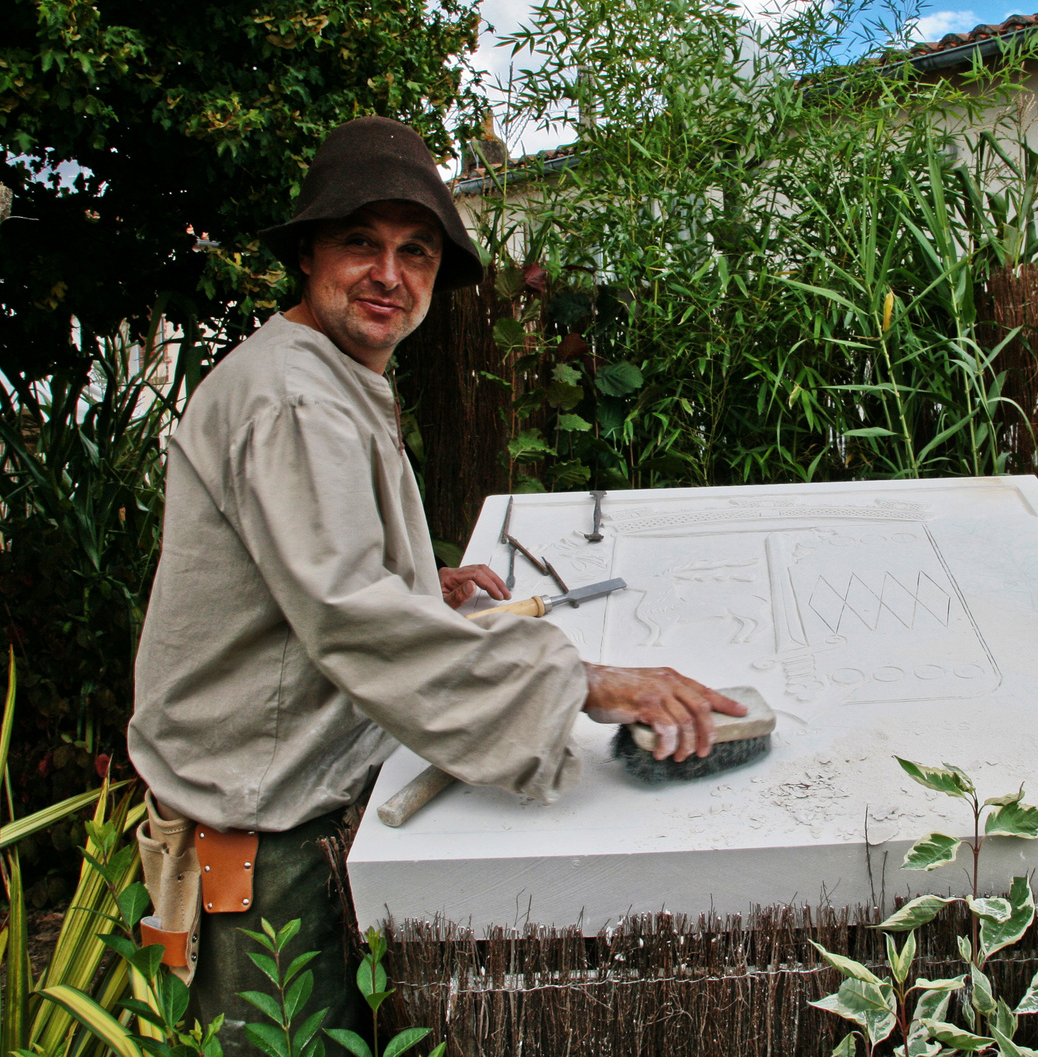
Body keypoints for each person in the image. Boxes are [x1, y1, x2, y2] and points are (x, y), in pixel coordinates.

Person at [127, 117, 745, 1053]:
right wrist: (579, 682)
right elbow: (344, 609)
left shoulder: (325, 374)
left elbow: (311, 562)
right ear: (308, 253)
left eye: (415, 252)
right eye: (360, 244)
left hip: (280, 810)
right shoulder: (294, 398)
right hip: (266, 842)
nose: (389, 274)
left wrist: (420, 578)